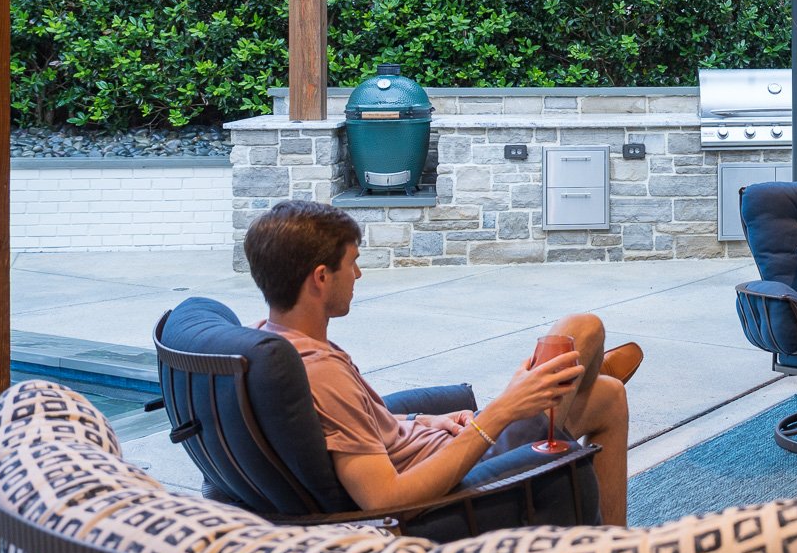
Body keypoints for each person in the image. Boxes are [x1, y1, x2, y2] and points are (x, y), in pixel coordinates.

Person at [242, 200, 639, 525]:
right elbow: (386, 499)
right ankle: (583, 374)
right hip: (468, 471)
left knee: (608, 396)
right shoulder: (321, 372)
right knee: (583, 328)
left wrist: (422, 421)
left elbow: (361, 426)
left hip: (446, 444)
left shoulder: (271, 338)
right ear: (321, 278)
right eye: (352, 263)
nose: (358, 274)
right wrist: (502, 410)